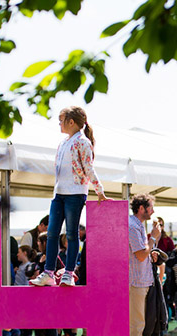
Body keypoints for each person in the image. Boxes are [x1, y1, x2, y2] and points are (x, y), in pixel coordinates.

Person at [30, 106, 108, 287]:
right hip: (59, 193)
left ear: (71, 122)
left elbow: (89, 168)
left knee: (72, 234)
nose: (59, 123)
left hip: (75, 193)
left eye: (61, 120)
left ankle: (69, 273)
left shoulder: (83, 142)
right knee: (51, 233)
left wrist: (99, 190)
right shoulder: (63, 143)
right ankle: (48, 272)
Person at [129, 194, 161, 336]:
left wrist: (151, 252)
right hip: (135, 282)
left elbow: (142, 254)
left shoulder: (136, 225)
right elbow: (140, 255)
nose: (153, 211)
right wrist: (154, 238)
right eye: (150, 207)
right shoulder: (133, 226)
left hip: (139, 281)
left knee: (138, 322)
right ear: (141, 208)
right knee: (136, 323)